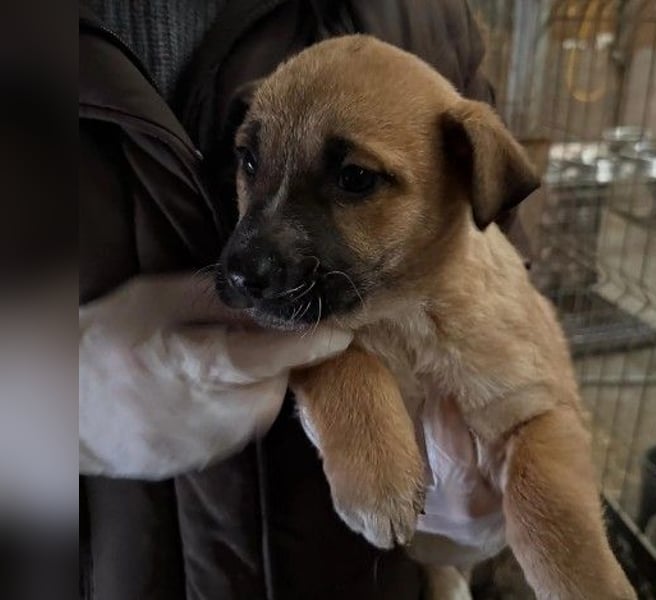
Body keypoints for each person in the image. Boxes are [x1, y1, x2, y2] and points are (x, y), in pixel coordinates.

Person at [79, 1, 505, 598]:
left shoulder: (420, 13)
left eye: (355, 179)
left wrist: (499, 449)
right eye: (248, 161)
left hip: (366, 578)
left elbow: (500, 233)